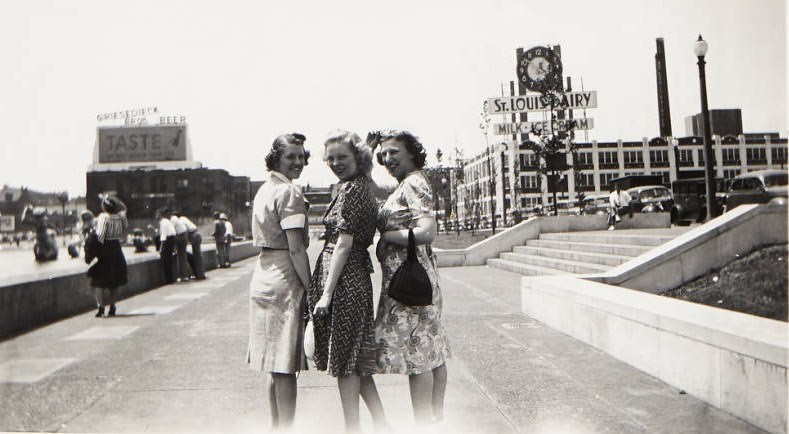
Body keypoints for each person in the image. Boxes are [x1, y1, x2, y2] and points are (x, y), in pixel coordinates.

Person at [308, 131, 389, 432]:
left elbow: (344, 243)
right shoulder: (357, 185)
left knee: (345, 362)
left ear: (358, 157)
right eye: (330, 158)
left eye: (342, 157)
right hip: (349, 276)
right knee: (354, 360)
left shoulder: (353, 189)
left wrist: (326, 293)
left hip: (344, 280)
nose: (336, 163)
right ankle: (382, 424)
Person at [371, 130, 451, 425]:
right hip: (412, 279)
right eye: (384, 154)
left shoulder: (414, 183)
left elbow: (428, 231)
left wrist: (388, 235)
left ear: (411, 153)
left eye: (394, 152)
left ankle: (423, 425)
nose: (387, 159)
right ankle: (435, 421)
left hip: (411, 283)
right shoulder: (407, 183)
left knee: (419, 356)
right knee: (430, 350)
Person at [246, 132, 312, 431]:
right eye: (291, 157)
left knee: (273, 366)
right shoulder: (290, 194)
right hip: (284, 275)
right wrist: (312, 289)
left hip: (262, 274)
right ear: (276, 159)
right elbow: (296, 248)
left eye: (301, 156)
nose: (298, 162)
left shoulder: (264, 190)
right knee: (286, 366)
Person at [84, 195, 128, 317]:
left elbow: (100, 236)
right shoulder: (120, 218)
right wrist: (116, 201)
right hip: (116, 249)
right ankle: (112, 306)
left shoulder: (103, 217)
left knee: (98, 281)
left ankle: (101, 307)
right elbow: (124, 208)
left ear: (104, 207)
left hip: (104, 250)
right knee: (114, 281)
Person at [177, 212, 205, 280]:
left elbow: (185, 231)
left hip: (193, 235)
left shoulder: (180, 221)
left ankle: (197, 275)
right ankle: (201, 273)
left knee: (196, 256)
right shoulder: (184, 218)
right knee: (198, 255)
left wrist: (184, 243)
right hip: (197, 234)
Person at [157, 207, 177, 284]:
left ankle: (169, 280)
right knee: (169, 260)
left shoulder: (163, 223)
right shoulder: (167, 221)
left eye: (157, 215)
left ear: (161, 215)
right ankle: (171, 279)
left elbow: (163, 237)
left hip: (168, 240)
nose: (156, 216)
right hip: (172, 239)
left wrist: (161, 248)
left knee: (166, 260)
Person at [170, 210, 192, 280]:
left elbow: (172, 231)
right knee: (183, 256)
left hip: (180, 236)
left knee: (181, 257)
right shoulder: (178, 219)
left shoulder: (173, 219)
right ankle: (188, 274)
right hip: (184, 236)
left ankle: (184, 275)